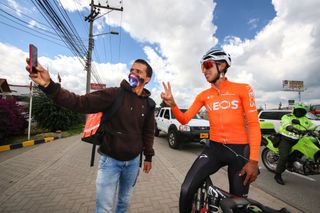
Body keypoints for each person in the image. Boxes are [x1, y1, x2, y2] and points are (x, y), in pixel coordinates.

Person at [26, 58, 156, 213]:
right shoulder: (114, 94)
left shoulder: (149, 104)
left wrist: (148, 156)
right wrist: (49, 86)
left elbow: (148, 132)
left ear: (147, 79)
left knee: (124, 203)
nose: (133, 73)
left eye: (138, 71)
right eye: (132, 70)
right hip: (110, 162)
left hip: (133, 163)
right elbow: (80, 102)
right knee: (104, 208)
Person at [161, 48, 261, 213]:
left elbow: (253, 124)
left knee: (239, 206)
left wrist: (253, 161)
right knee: (186, 190)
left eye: (207, 65)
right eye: (202, 67)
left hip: (239, 152)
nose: (204, 71)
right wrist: (173, 105)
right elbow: (185, 119)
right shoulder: (204, 95)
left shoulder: (243, 89)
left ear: (221, 66)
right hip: (214, 149)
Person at [274, 103, 314, 185]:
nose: (299, 112)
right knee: (284, 156)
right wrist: (292, 129)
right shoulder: (287, 117)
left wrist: (314, 132)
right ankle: (277, 175)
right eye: (298, 110)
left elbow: (312, 128)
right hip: (286, 139)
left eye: (302, 111)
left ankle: (293, 164)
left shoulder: (306, 120)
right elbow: (286, 124)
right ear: (294, 110)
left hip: (299, 141)